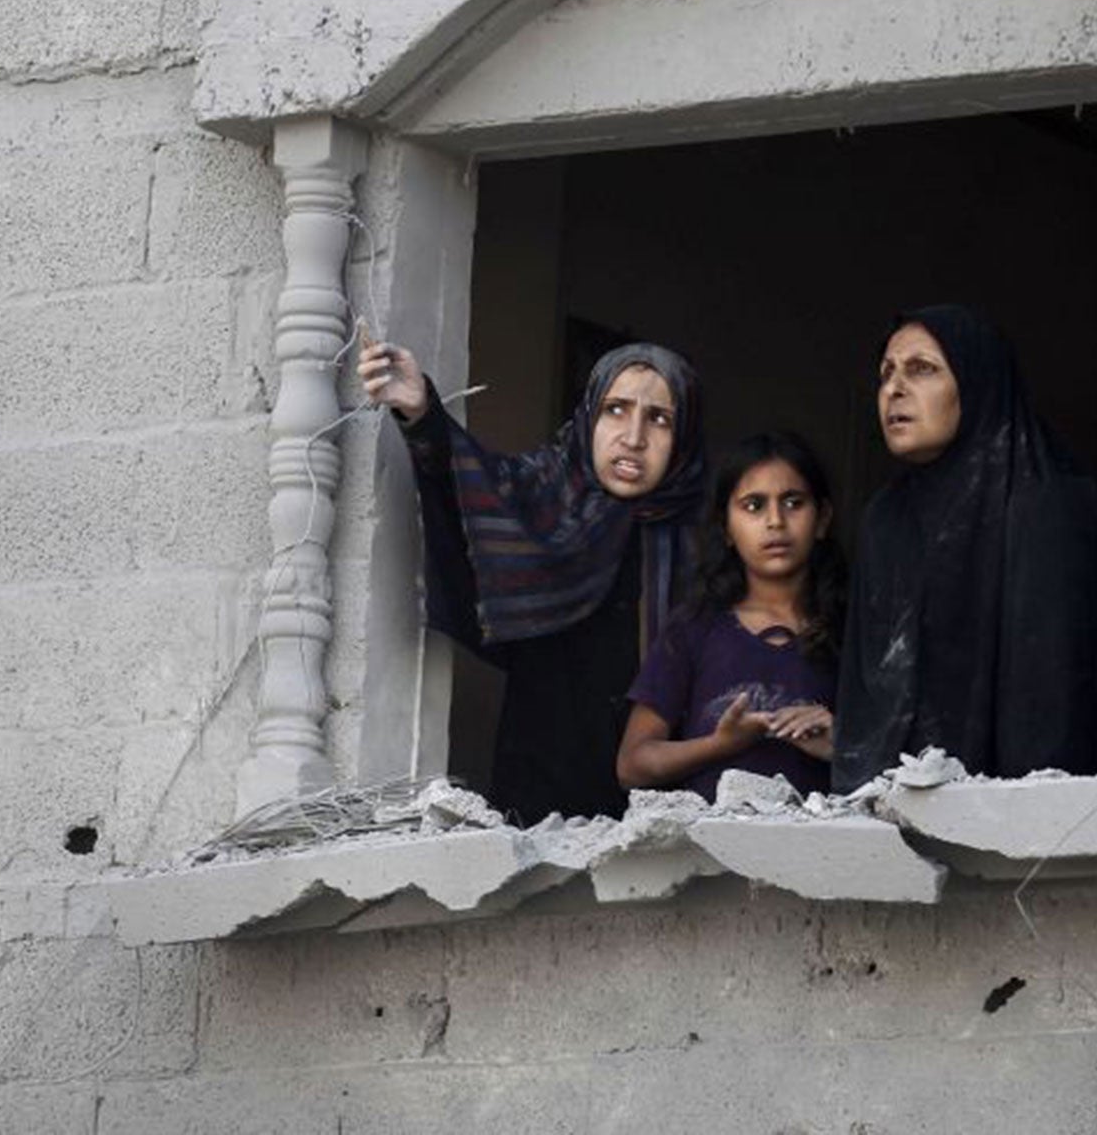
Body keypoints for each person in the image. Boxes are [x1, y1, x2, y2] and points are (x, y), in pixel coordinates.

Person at [832, 305, 1097, 791]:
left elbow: (1064, 711)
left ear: (978, 383)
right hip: (904, 820)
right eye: (886, 374)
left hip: (1049, 818)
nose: (894, 389)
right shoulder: (887, 522)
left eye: (923, 369)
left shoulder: (1053, 506)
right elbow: (874, 698)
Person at [358, 338, 706, 823]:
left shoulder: (706, 543)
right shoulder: (544, 497)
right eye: (616, 409)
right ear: (589, 417)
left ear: (684, 435)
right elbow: (475, 492)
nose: (633, 436)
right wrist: (423, 416)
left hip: (660, 811)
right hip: (540, 794)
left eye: (660, 418)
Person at [617, 431, 843, 800]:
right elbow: (631, 765)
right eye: (754, 505)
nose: (775, 521)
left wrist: (844, 746)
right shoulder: (694, 628)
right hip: (708, 852)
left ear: (822, 518)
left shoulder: (852, 629)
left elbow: (903, 757)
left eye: (793, 502)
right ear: (726, 528)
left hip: (824, 852)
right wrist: (722, 744)